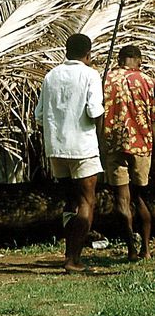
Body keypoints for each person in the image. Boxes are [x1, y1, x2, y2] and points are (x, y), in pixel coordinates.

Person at [35, 33, 104, 273]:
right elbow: (95, 111)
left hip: (56, 147)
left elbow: (39, 116)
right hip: (82, 146)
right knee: (87, 202)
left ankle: (68, 251)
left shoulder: (50, 76)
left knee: (70, 201)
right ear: (89, 54)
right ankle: (73, 258)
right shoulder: (90, 75)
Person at [103, 45, 154, 260]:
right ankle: (146, 250)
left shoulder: (106, 79)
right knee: (140, 196)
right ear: (139, 61)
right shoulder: (148, 81)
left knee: (122, 200)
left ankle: (131, 250)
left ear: (120, 59)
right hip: (141, 143)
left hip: (114, 144)